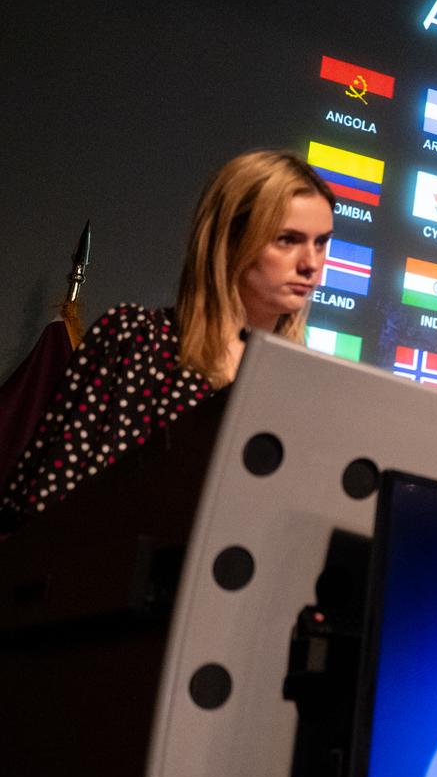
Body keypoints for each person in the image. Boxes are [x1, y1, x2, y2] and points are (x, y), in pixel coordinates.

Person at [1, 149, 334, 521]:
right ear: (230, 239)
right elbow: (45, 510)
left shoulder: (305, 385)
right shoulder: (137, 341)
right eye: (288, 240)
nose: (311, 263)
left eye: (321, 242)